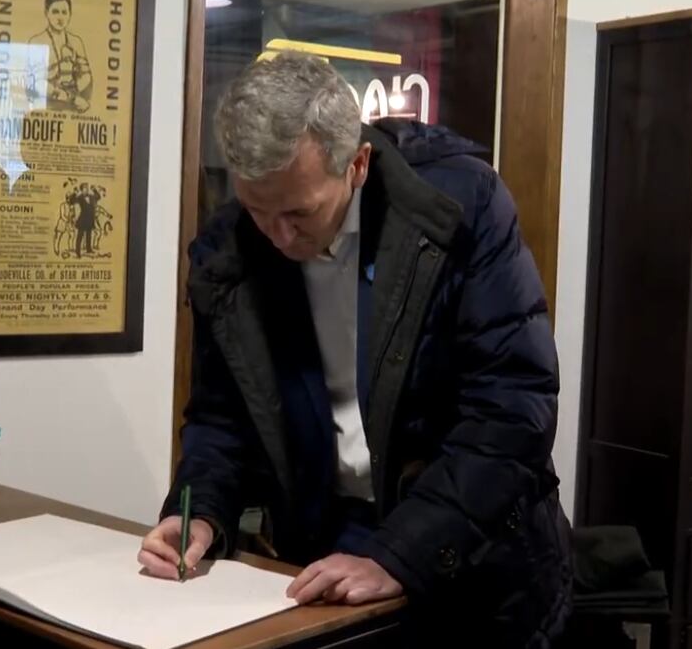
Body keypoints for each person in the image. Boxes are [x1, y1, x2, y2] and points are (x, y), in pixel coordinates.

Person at [139, 52, 571, 647]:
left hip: (475, 555)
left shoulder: (460, 206)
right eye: (258, 211)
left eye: (299, 212)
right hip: (322, 543)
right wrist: (198, 512)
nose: (279, 237)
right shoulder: (231, 249)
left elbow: (512, 410)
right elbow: (222, 416)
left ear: (358, 164)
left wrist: (399, 553)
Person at [27, 0, 92, 113]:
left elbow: (86, 75)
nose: (60, 18)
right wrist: (67, 96)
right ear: (46, 13)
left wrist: (74, 93)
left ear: (70, 14)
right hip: (45, 105)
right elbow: (36, 81)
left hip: (74, 104)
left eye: (64, 12)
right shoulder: (36, 41)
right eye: (55, 12)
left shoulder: (76, 41)